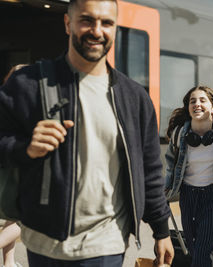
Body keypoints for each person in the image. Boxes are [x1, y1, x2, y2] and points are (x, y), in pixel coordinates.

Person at [0, 0, 173, 266]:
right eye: (86, 20)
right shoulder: (27, 85)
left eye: (107, 23)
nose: (97, 30)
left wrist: (162, 229)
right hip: (44, 241)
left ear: (115, 28)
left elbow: (149, 168)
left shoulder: (134, 98)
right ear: (68, 23)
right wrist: (24, 147)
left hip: (106, 242)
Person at [164, 86, 213, 267]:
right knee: (195, 250)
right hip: (188, 197)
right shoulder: (179, 134)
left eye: (202, 100)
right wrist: (164, 191)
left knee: (202, 252)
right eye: (192, 101)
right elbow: (171, 166)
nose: (197, 104)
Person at [0, 64, 28, 267]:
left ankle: (8, 262)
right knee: (23, 219)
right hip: (14, 173)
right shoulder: (25, 108)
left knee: (11, 217)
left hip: (8, 172)